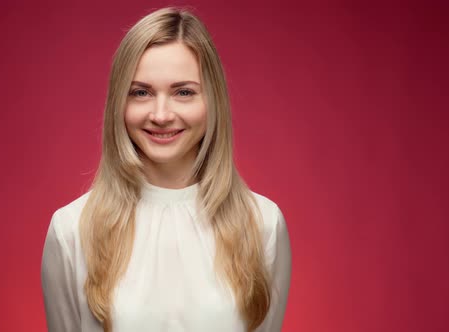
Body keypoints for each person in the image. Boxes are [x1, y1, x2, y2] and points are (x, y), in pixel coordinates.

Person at [41, 7, 291, 332]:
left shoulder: (263, 224)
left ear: (212, 100)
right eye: (141, 92)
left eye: (183, 92)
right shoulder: (71, 230)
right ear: (120, 101)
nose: (161, 115)